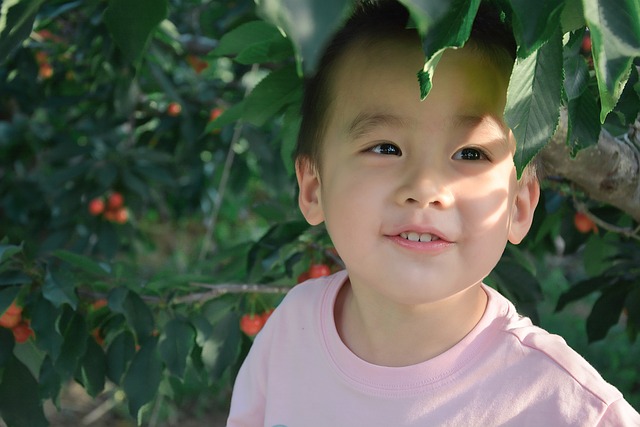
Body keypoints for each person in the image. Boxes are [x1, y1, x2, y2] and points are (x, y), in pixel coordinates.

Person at [226, 1, 640, 425]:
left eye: (471, 153)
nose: (425, 189)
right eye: (385, 148)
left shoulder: (567, 410)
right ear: (313, 187)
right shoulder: (290, 331)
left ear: (518, 205)